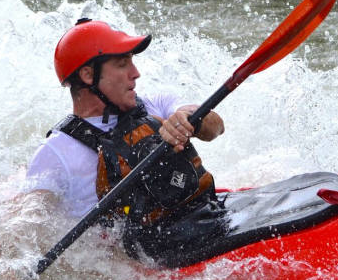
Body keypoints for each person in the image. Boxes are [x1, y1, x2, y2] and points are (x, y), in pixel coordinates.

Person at [23, 18, 226, 263]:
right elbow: (28, 220)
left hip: (203, 218)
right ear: (88, 75)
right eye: (122, 64)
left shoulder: (156, 104)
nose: (136, 73)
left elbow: (216, 127)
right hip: (132, 261)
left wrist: (189, 120)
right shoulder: (55, 154)